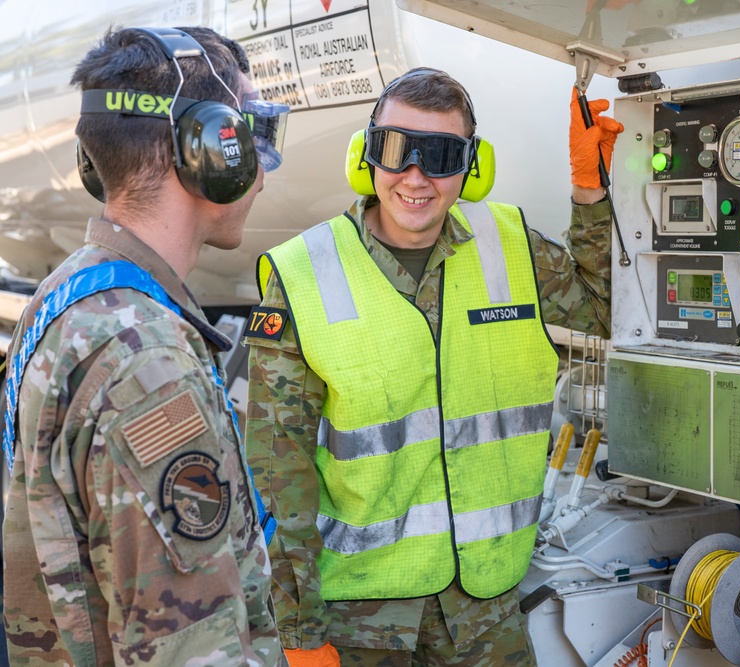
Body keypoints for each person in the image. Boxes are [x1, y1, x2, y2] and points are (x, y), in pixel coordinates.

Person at [244, 67, 622, 666]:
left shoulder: (511, 245)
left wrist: (588, 192)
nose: (415, 177)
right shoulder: (304, 274)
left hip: (486, 614)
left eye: (441, 155)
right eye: (395, 151)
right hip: (362, 624)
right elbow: (276, 470)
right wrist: (299, 631)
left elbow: (599, 317)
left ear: (472, 168)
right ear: (364, 157)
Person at [2, 26, 292, 666]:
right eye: (252, 139)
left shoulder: (66, 295)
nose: (264, 174)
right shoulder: (148, 363)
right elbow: (191, 649)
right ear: (210, 149)